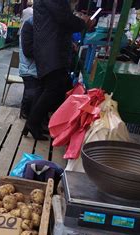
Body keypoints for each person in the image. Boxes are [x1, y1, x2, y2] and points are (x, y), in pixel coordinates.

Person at [25, 0, 92, 140]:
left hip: (48, 47)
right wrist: (83, 23)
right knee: (53, 87)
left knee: (46, 86)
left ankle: (31, 123)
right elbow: (64, 17)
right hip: (51, 49)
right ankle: (33, 122)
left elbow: (61, 16)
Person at [19, 17, 42, 122]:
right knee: (31, 95)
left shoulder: (42, 22)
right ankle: (27, 116)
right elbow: (28, 51)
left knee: (35, 96)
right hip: (30, 69)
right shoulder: (30, 24)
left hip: (38, 69)